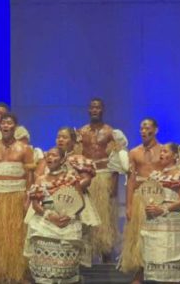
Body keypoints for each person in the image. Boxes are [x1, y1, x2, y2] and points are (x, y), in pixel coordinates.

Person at [25, 147, 98, 284]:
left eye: (54, 155)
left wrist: (69, 216)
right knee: (44, 270)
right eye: (48, 155)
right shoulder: (40, 179)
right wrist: (49, 216)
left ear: (63, 159)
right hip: (45, 221)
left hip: (67, 222)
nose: (50, 158)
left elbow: (80, 203)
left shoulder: (71, 179)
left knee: (66, 270)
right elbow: (35, 205)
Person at [0, 112, 34, 283]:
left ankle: (17, 272)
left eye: (9, 123)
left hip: (17, 197)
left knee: (17, 235)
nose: (5, 125)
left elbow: (30, 176)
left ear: (15, 127)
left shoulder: (25, 149)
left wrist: (28, 199)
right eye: (3, 123)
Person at [137, 143, 180, 283]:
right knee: (156, 258)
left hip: (172, 222)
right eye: (161, 152)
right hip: (154, 222)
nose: (161, 154)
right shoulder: (156, 175)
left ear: (175, 155)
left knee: (171, 262)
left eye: (165, 151)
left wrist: (163, 209)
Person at [77, 98, 128, 262]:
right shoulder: (82, 131)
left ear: (102, 110)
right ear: (88, 110)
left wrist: (114, 182)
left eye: (97, 107)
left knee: (105, 218)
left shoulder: (110, 132)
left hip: (105, 176)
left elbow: (116, 160)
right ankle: (87, 258)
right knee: (87, 217)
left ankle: (106, 255)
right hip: (87, 177)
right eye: (92, 107)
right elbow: (77, 157)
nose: (94, 110)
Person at [118, 117, 164, 281]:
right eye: (141, 128)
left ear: (155, 130)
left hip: (159, 198)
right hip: (140, 198)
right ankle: (140, 273)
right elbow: (130, 180)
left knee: (158, 236)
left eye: (147, 128)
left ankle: (160, 272)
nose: (143, 131)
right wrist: (129, 206)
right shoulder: (134, 152)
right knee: (139, 237)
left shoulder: (164, 151)